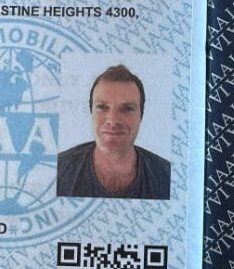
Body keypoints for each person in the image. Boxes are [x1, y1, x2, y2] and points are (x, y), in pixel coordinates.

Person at [57, 64, 170, 200]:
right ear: (91, 113)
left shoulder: (166, 175)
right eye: (102, 107)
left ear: (141, 115)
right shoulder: (59, 169)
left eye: (127, 108)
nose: (113, 120)